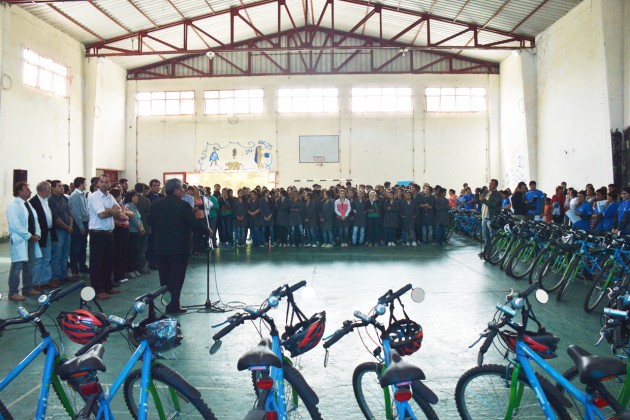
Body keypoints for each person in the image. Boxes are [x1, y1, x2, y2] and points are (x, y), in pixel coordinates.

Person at [148, 179, 211, 314]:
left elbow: (150, 222)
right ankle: (174, 306)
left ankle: (167, 303)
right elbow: (193, 223)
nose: (184, 191)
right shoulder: (183, 205)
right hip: (178, 247)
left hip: (161, 246)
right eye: (182, 188)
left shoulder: (155, 204)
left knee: (164, 278)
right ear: (176, 190)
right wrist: (207, 231)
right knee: (176, 278)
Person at [87, 174, 122, 299]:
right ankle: (98, 289)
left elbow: (119, 211)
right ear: (98, 184)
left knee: (108, 261)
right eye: (102, 182)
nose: (105, 184)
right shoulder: (93, 197)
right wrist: (112, 211)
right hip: (97, 233)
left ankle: (107, 286)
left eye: (107, 182)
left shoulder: (110, 196)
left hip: (109, 233)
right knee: (97, 263)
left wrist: (110, 210)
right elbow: (101, 215)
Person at [6, 182, 42, 301]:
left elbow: (35, 221)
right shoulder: (13, 205)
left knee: (29, 265)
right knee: (17, 267)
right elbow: (15, 224)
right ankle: (13, 292)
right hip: (21, 240)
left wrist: (37, 234)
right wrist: (28, 236)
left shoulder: (28, 205)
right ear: (20, 192)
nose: (30, 192)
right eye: (27, 190)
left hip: (31, 239)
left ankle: (27, 288)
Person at [29, 181, 59, 291]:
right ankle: (35, 283)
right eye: (50, 188)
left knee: (47, 258)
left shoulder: (46, 200)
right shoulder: (33, 202)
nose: (51, 191)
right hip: (39, 234)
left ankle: (46, 280)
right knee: (37, 259)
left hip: (49, 232)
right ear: (44, 190)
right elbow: (32, 221)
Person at [48, 180, 75, 283]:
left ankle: (64, 275)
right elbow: (55, 217)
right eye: (59, 186)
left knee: (65, 255)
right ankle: (55, 277)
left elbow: (70, 214)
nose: (62, 188)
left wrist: (71, 225)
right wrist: (66, 227)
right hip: (59, 230)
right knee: (57, 254)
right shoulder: (51, 200)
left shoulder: (64, 198)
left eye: (62, 186)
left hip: (67, 229)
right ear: (53, 188)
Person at [68, 177, 89, 276]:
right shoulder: (75, 196)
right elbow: (76, 213)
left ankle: (82, 266)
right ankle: (74, 269)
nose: (86, 185)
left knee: (83, 247)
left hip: (85, 222)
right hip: (78, 223)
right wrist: (81, 226)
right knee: (76, 248)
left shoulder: (82, 195)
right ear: (81, 184)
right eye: (84, 183)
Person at [478, 179, 501, 247]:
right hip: (484, 217)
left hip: (491, 218)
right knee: (486, 237)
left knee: (493, 237)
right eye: (489, 183)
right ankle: (486, 252)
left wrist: (483, 200)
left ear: (496, 185)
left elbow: (493, 205)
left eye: (492, 184)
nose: (490, 185)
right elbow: (480, 200)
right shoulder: (487, 193)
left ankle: (493, 254)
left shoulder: (498, 194)